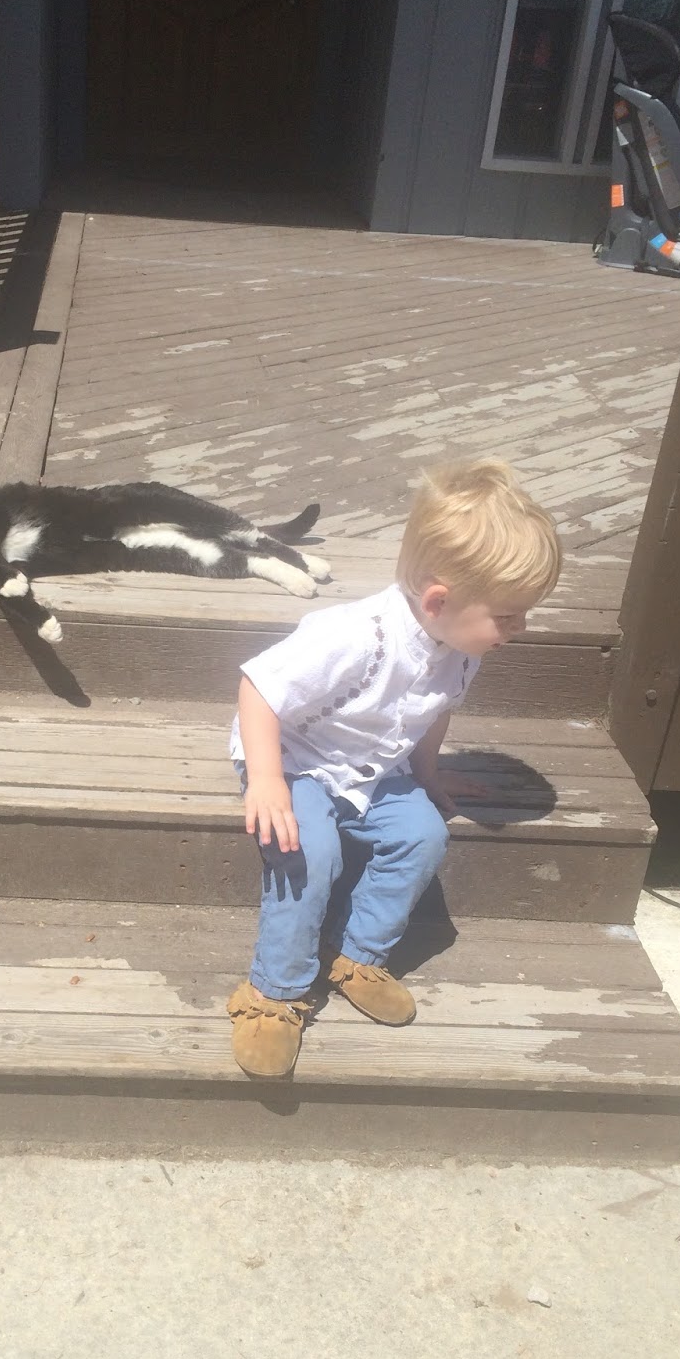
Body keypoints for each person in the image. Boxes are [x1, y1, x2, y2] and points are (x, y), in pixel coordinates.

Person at [226, 457, 562, 1078]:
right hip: (294, 760)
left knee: (423, 833)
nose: (520, 628)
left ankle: (355, 952)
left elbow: (433, 713)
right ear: (439, 600)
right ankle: (275, 991)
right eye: (509, 615)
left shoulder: (461, 645)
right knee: (310, 851)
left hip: (371, 770)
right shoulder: (354, 635)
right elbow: (260, 688)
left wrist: (428, 777)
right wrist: (267, 779)